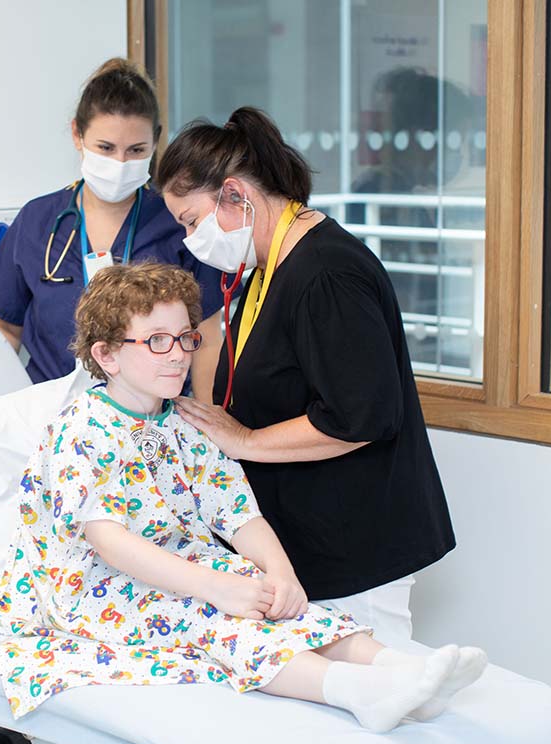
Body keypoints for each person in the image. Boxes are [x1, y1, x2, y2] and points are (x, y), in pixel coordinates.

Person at [0, 263, 485, 729]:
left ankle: (404, 670)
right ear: (107, 354)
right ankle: (355, 692)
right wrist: (211, 587)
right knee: (212, 616)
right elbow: (111, 543)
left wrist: (283, 575)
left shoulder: (184, 419)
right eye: (157, 340)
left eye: (185, 337)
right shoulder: (83, 430)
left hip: (179, 562)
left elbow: (236, 512)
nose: (180, 353)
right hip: (96, 586)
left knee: (268, 595)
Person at [156, 107, 456, 648]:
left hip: (358, 550)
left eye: (191, 220)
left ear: (235, 195)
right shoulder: (272, 267)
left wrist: (243, 440)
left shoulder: (327, 275)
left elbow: (360, 417)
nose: (190, 239)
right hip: (311, 548)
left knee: (381, 699)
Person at [0, 58, 228, 397]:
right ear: (77, 135)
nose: (120, 164)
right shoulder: (37, 221)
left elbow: (208, 338)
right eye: (106, 148)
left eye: (136, 150)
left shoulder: (177, 223)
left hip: (153, 421)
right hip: (51, 414)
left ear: (155, 142)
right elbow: (6, 330)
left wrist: (207, 422)